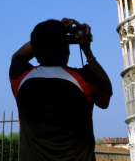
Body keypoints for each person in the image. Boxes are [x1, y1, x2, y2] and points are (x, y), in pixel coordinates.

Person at [9, 18, 113, 161]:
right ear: (66, 48)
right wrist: (87, 51)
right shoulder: (84, 80)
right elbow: (106, 96)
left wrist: (50, 34)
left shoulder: (21, 78)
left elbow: (18, 56)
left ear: (36, 47)